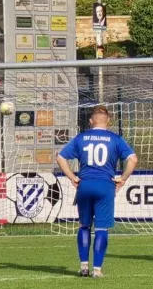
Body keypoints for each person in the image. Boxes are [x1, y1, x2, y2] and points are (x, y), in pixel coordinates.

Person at [56, 106, 138, 278]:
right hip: (105, 186)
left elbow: (61, 157)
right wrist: (122, 178)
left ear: (91, 121)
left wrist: (72, 177)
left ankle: (84, 266)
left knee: (84, 225)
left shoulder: (81, 138)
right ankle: (97, 270)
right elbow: (133, 159)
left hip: (84, 185)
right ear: (108, 121)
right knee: (101, 228)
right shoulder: (115, 139)